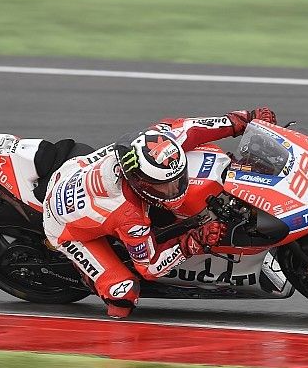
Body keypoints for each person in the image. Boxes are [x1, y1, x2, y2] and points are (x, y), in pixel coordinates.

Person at [42, 107, 277, 318]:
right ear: (139, 183)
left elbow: (195, 128)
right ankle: (88, 275)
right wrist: (193, 241)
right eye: (163, 186)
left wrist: (245, 120)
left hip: (75, 168)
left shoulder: (159, 141)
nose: (174, 189)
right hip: (64, 227)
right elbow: (150, 267)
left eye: (176, 180)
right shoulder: (129, 216)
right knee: (124, 296)